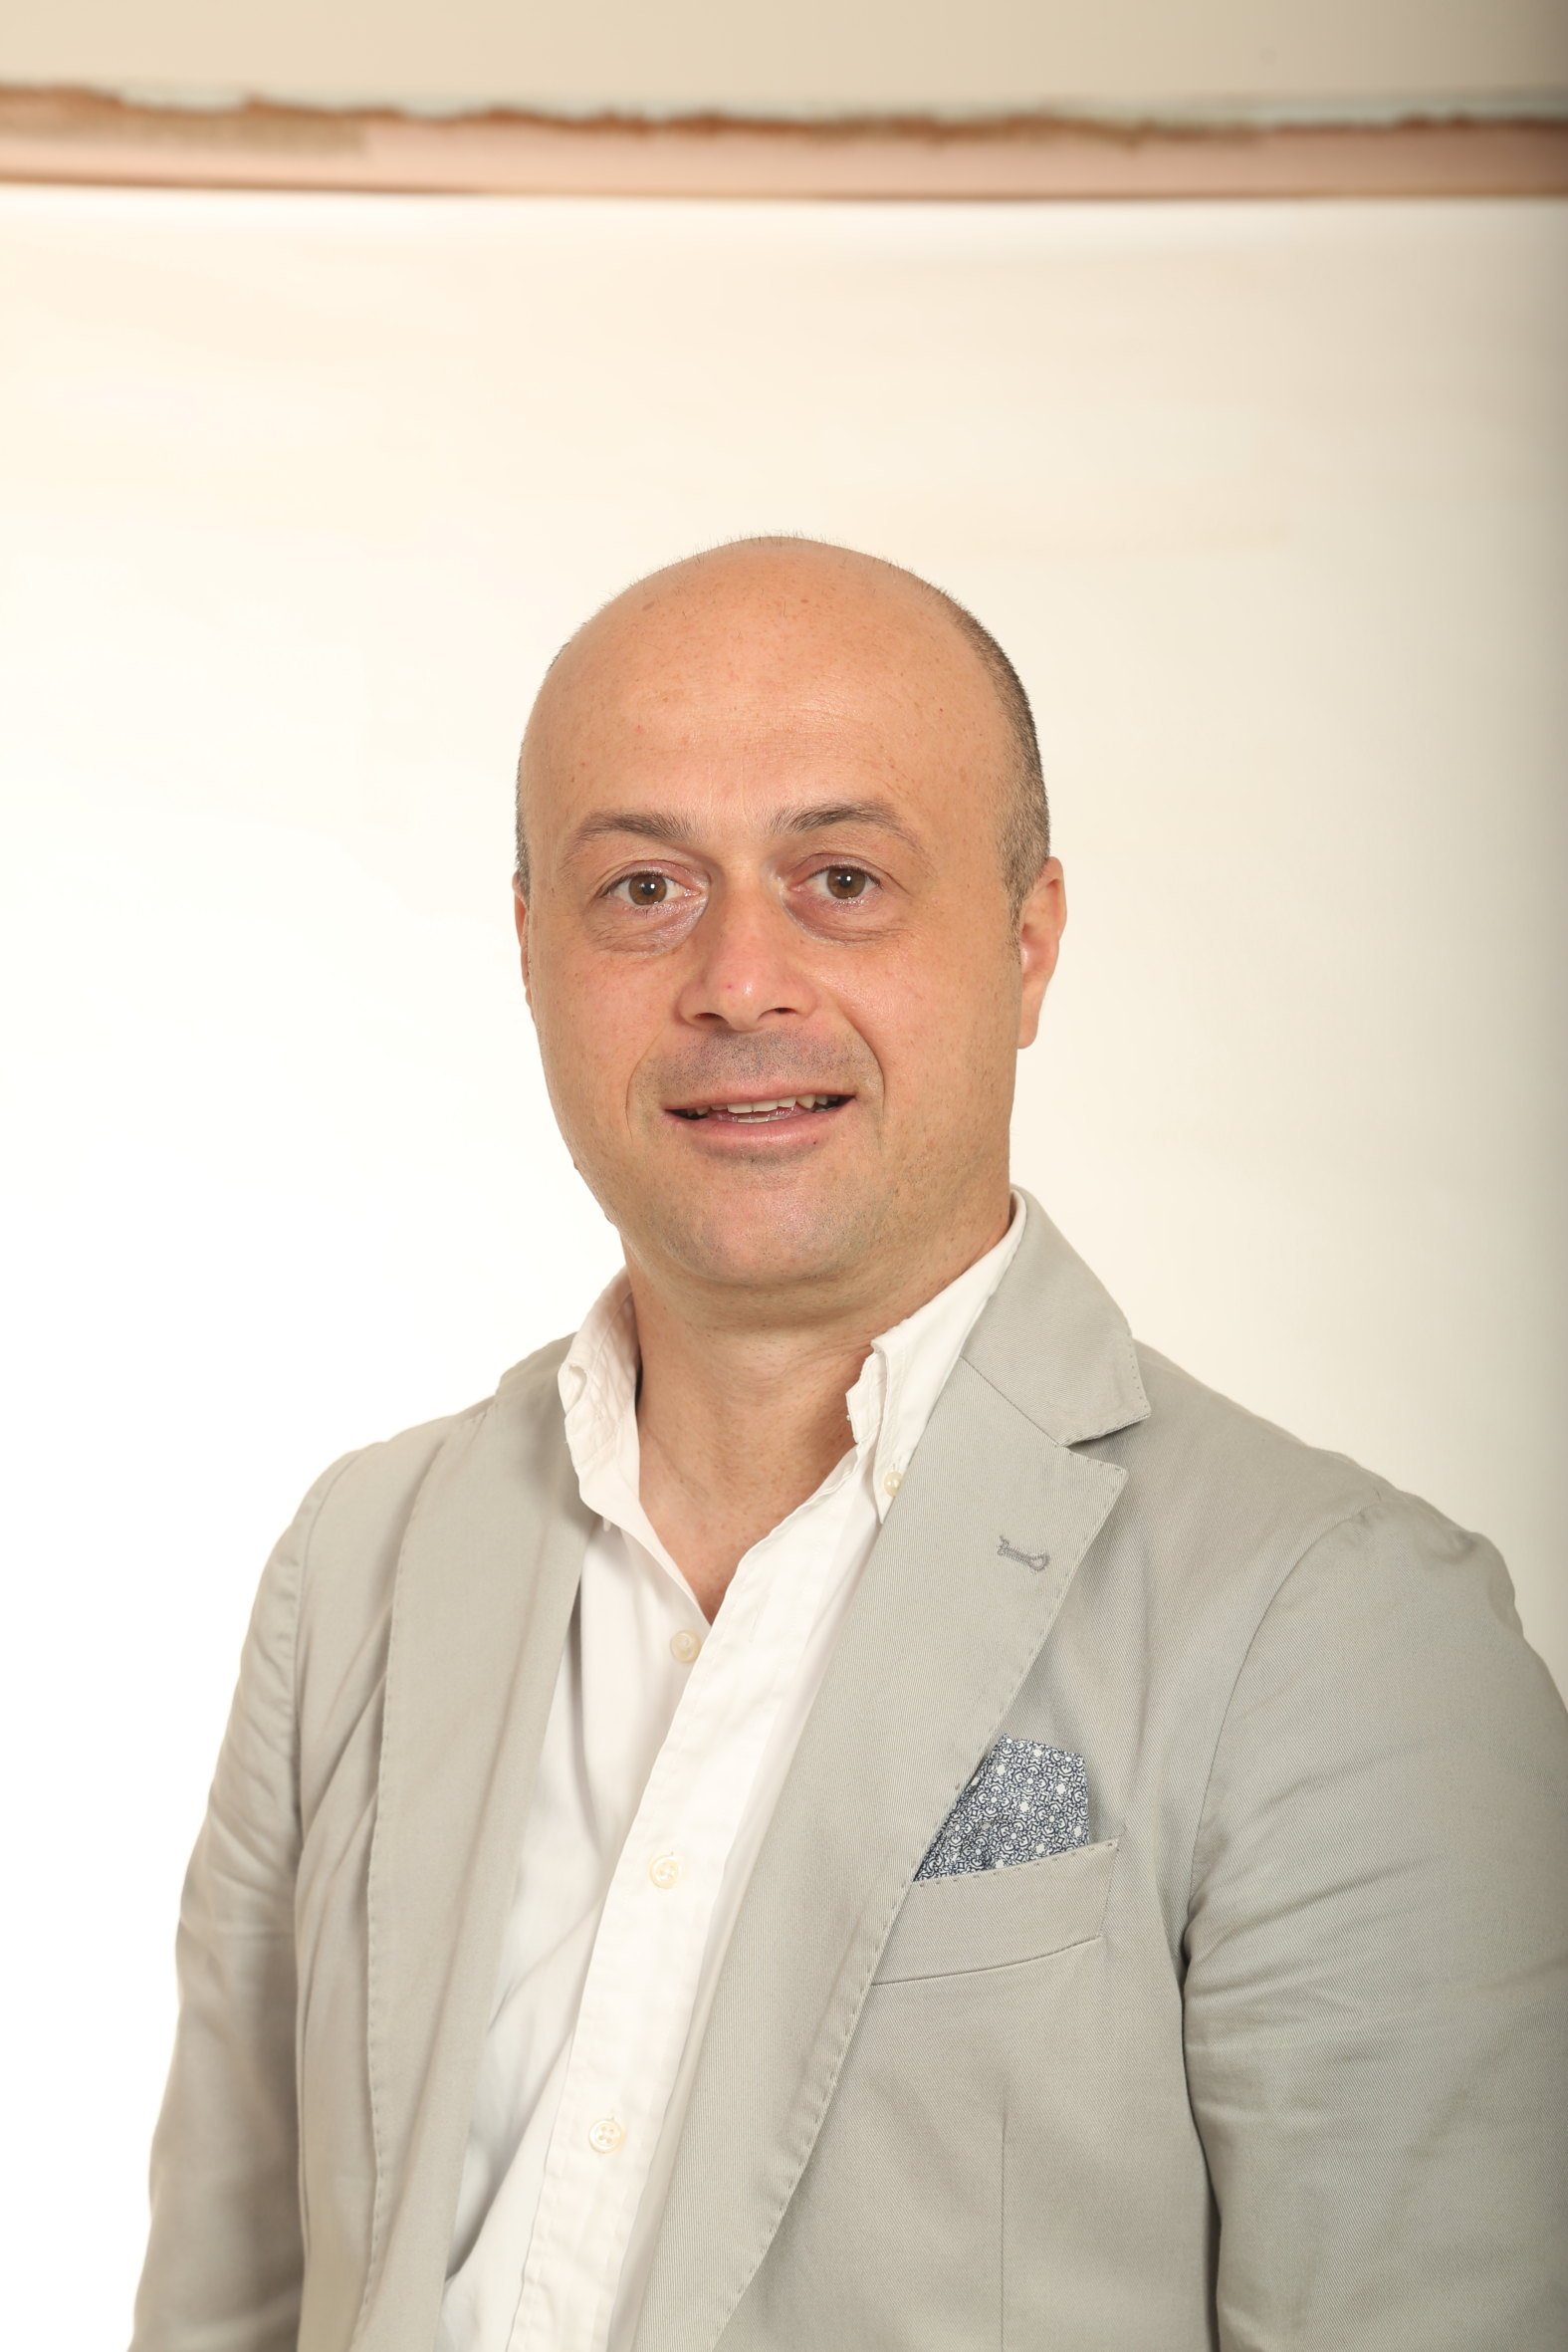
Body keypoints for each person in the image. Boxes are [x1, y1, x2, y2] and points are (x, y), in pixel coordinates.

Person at [131, 538, 1568, 2352]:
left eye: (843, 879)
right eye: (644, 887)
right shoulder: (360, 1565)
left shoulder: (1343, 1632)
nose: (741, 979)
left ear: (1029, 942)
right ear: (530, 951)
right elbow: (221, 2311)